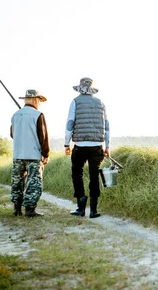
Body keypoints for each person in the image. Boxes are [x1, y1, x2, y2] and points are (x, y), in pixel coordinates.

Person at [64, 77, 110, 218]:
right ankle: (94, 210)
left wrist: (67, 143)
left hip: (80, 146)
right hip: (97, 146)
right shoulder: (100, 103)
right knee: (94, 176)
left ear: (80, 88)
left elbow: (70, 123)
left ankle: (81, 208)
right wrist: (107, 146)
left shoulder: (75, 102)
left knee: (77, 174)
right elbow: (106, 127)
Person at [10, 89, 50, 218]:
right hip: (33, 155)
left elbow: (12, 134)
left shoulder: (15, 115)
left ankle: (17, 208)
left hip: (18, 154)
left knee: (17, 182)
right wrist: (46, 154)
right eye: (39, 100)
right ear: (35, 100)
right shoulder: (38, 115)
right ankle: (29, 209)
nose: (40, 103)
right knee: (34, 182)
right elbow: (43, 136)